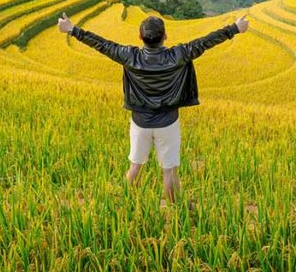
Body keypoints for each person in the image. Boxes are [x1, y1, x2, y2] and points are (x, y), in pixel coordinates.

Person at [58, 11, 249, 201]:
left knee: (135, 166)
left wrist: (72, 29)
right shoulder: (179, 55)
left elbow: (101, 44)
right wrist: (235, 28)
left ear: (140, 37)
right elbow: (206, 41)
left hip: (140, 123)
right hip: (168, 123)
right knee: (169, 171)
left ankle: (128, 203)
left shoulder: (129, 56)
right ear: (165, 36)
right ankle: (175, 210)